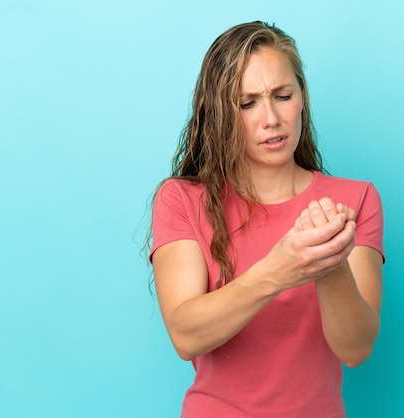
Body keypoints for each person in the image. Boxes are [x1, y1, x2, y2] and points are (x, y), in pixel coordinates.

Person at [149, 21, 385, 418]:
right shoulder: (182, 199)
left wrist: (326, 263)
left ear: (302, 98)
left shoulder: (355, 199)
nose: (271, 118)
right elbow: (186, 336)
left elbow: (356, 349)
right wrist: (279, 269)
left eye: (283, 95)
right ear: (222, 111)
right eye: (248, 102)